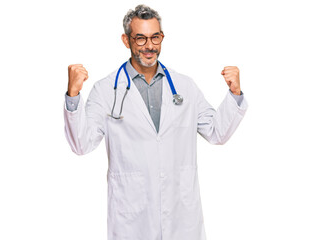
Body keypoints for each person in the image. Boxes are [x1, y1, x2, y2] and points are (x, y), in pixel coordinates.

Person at [64, 4, 248, 240]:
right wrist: (73, 94)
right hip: (132, 218)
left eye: (155, 37)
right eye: (140, 38)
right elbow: (81, 143)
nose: (149, 46)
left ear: (162, 38)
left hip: (181, 215)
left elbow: (217, 133)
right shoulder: (106, 90)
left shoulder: (185, 87)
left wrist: (235, 93)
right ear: (126, 40)